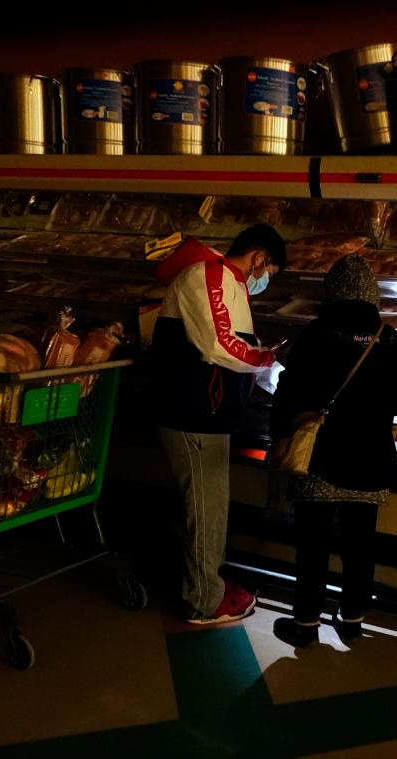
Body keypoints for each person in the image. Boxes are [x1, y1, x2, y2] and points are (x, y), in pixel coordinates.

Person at [268, 255, 397, 647]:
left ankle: (304, 624)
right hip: (371, 458)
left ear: (332, 291)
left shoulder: (317, 334)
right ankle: (352, 619)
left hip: (320, 457)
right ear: (372, 293)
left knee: (313, 545)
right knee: (360, 545)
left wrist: (278, 434)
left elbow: (290, 389)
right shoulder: (391, 338)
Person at [152, 224, 286, 624]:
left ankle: (209, 583)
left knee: (212, 507)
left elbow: (235, 345)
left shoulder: (229, 284)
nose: (265, 279)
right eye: (271, 271)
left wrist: (271, 372)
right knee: (207, 509)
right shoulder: (209, 274)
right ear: (260, 256)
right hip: (192, 413)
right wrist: (264, 360)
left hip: (209, 413)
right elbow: (217, 345)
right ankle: (203, 602)